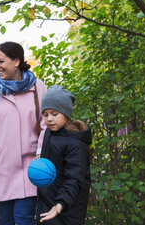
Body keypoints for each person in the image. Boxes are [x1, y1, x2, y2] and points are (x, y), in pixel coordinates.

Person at [0, 41, 47, 225]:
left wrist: (40, 151)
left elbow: (45, 123)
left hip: (30, 165)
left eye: (0, 61)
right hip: (2, 165)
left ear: (16, 61)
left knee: (24, 219)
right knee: (5, 220)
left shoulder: (37, 88)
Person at [36, 85, 92, 225]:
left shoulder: (76, 143)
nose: (49, 119)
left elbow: (74, 179)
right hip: (47, 204)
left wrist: (60, 204)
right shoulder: (49, 134)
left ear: (66, 114)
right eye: (45, 114)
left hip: (68, 208)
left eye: (54, 114)